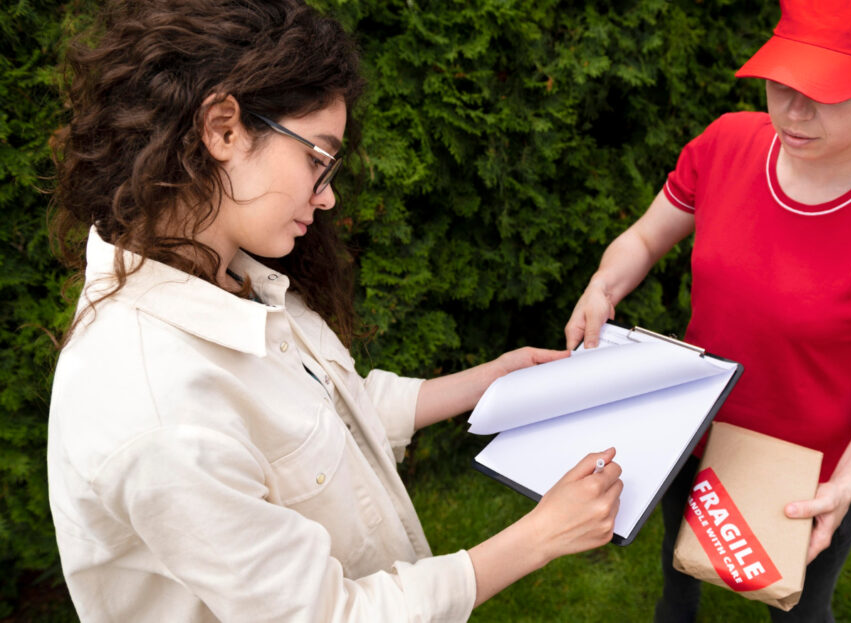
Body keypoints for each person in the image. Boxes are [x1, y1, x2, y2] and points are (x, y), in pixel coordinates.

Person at [47, 1, 623, 620]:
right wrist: (539, 537)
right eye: (316, 159)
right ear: (222, 129)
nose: (327, 196)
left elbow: (320, 416)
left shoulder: (225, 274)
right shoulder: (161, 409)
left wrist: (486, 382)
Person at [564, 0, 851, 621]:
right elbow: (648, 237)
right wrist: (603, 283)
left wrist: (847, 484)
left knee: (801, 612)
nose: (794, 110)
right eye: (782, 80)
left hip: (807, 475)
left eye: (829, 89)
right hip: (694, 433)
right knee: (676, 585)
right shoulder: (727, 142)